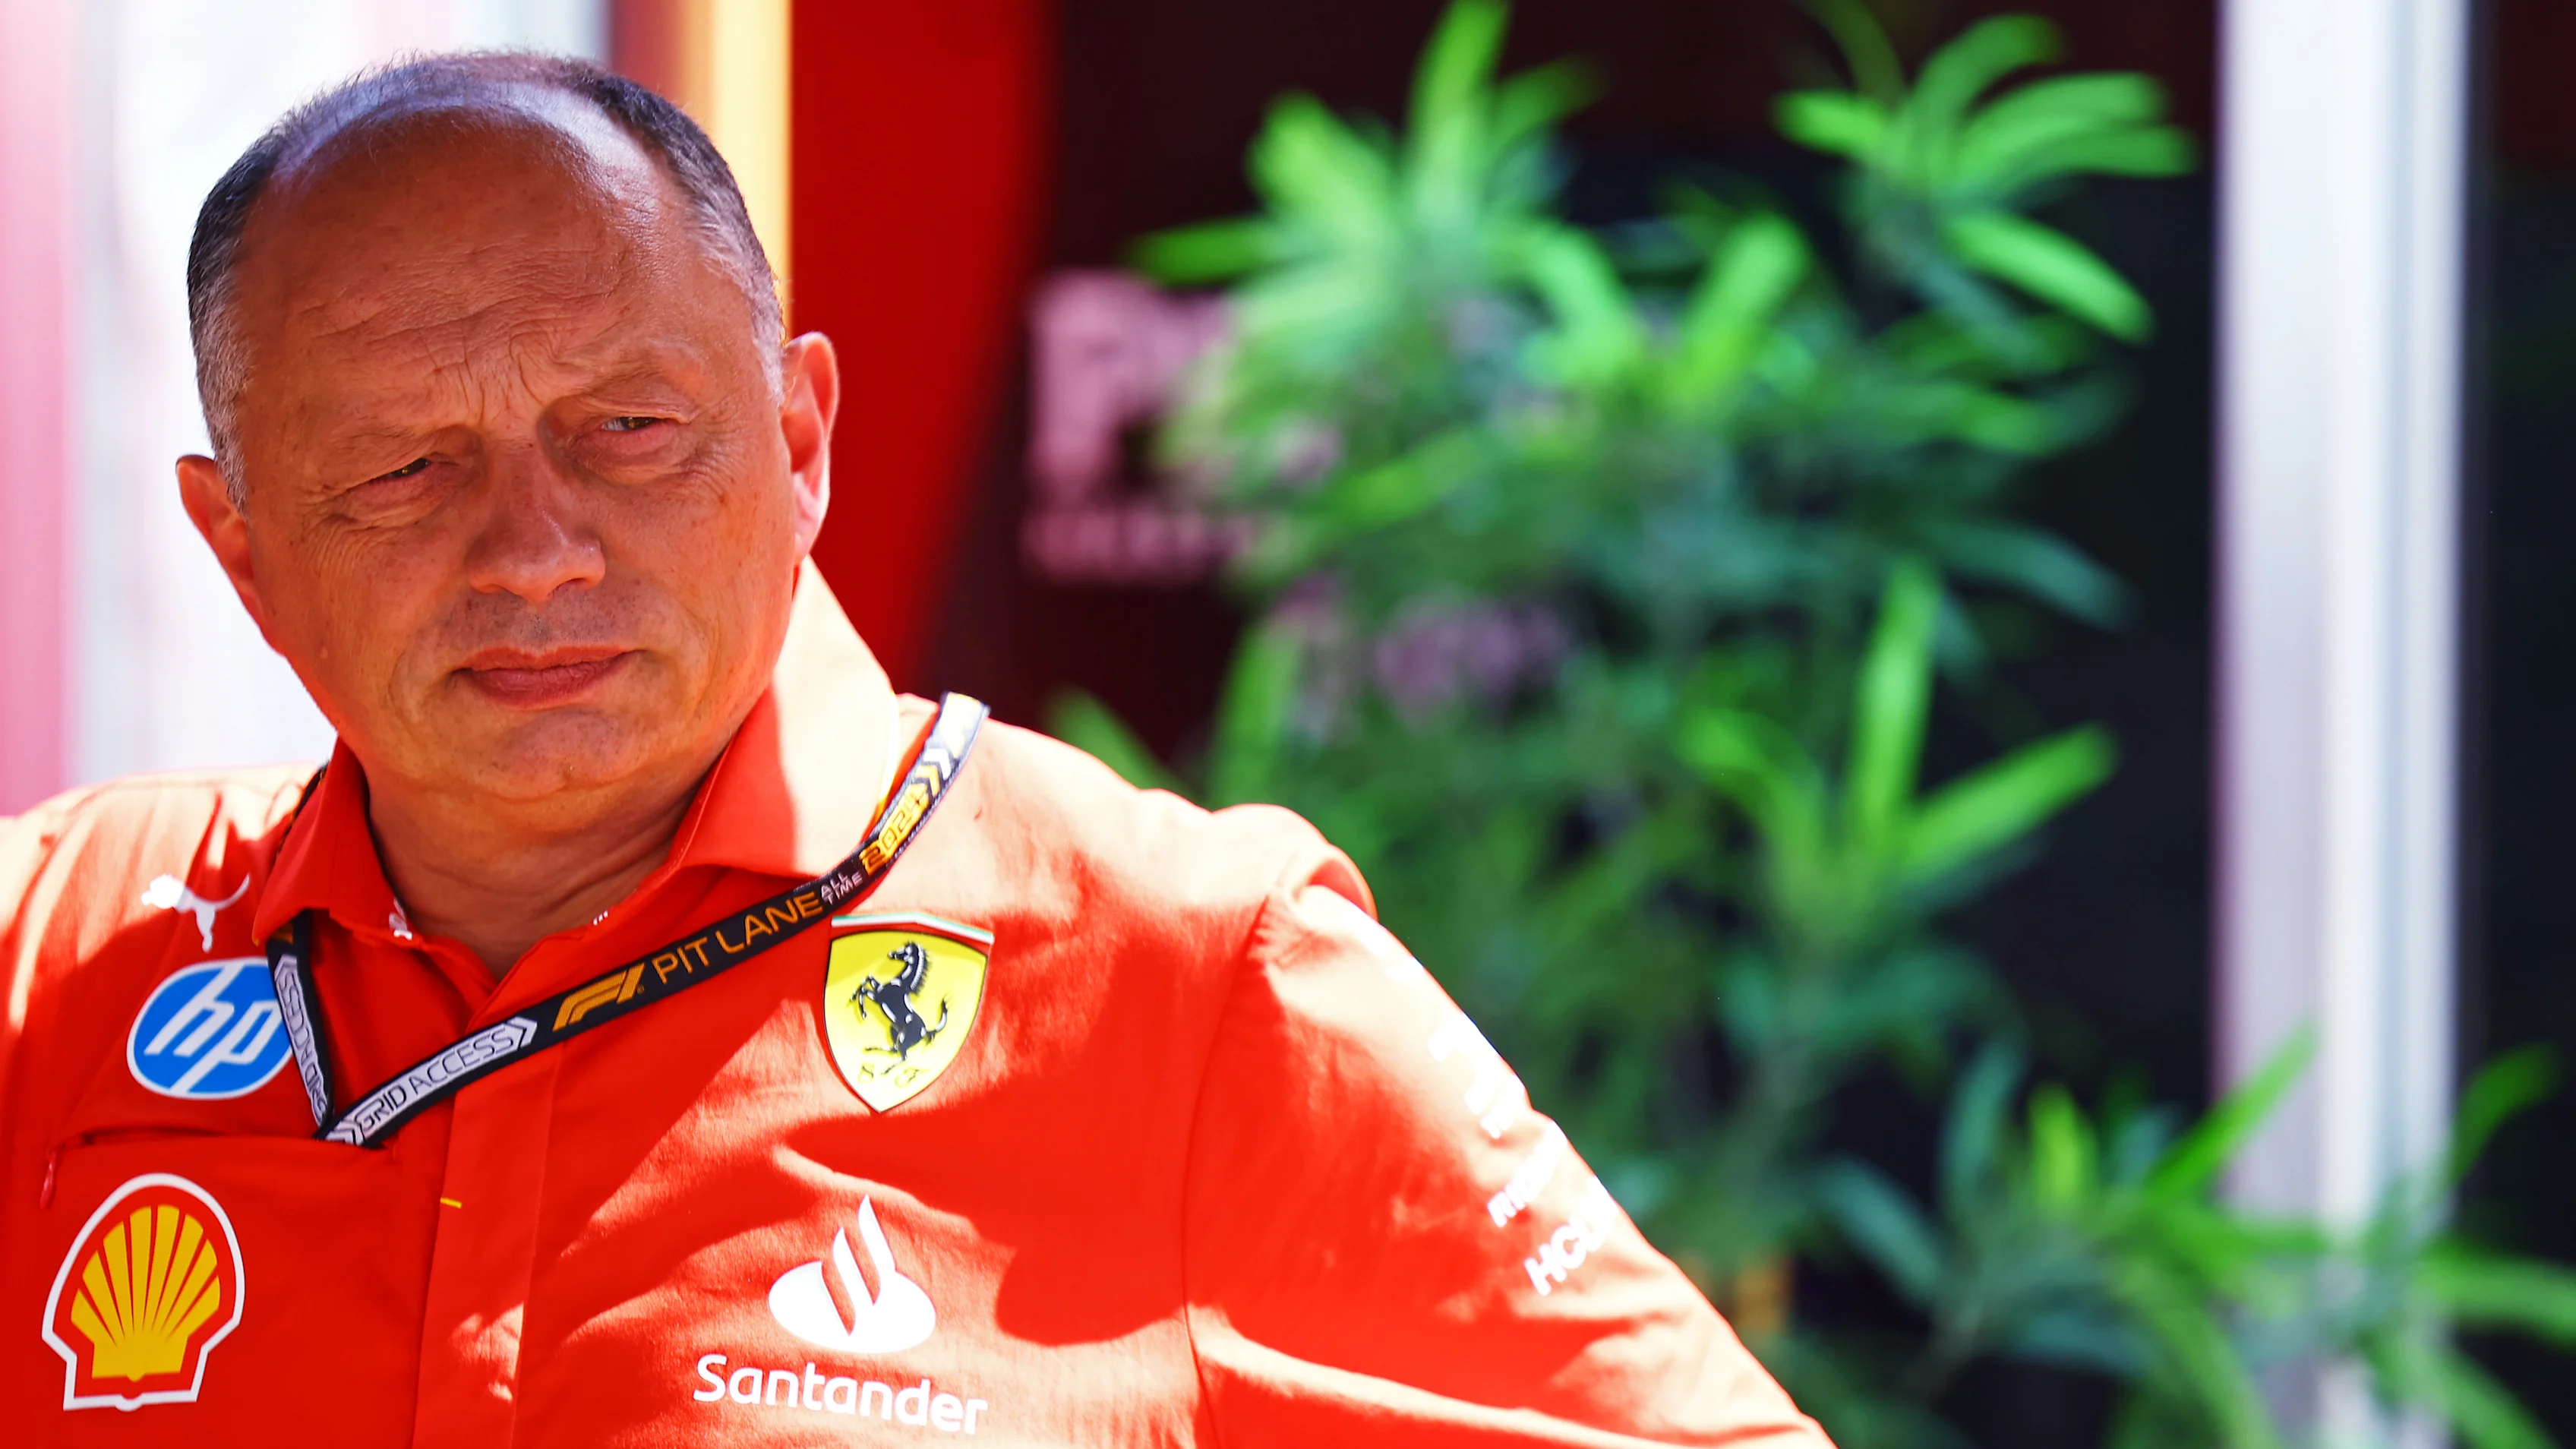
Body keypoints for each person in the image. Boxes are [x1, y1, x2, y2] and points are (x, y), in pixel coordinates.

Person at [0, 54, 1829, 1448]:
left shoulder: (1186, 965)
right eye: (409, 468)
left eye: (630, 429)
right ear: (240, 550)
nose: (535, 548)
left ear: (800, 438)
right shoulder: (55, 962)